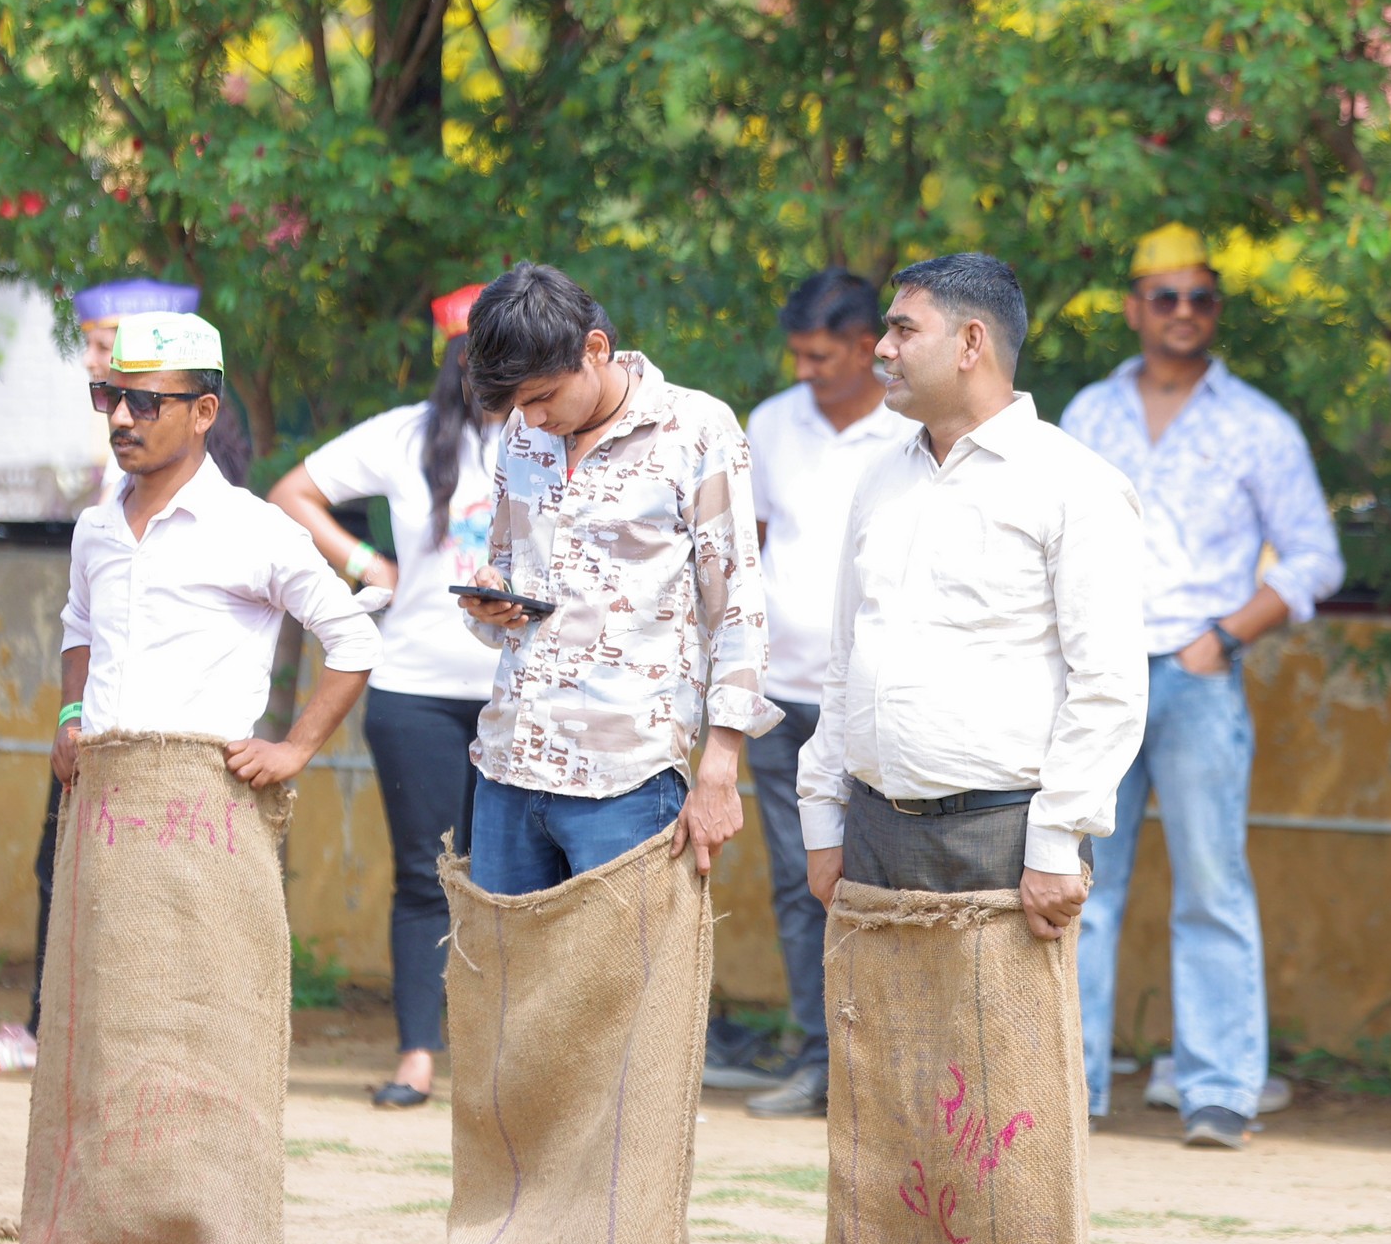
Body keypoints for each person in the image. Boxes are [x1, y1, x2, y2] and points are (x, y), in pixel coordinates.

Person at [1058, 223, 1344, 1143]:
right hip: (1096, 678)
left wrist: (1222, 639)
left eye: (1201, 298)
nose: (1183, 312)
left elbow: (1314, 556)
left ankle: (1218, 1091)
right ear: (1134, 307)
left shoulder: (1258, 424)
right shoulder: (1087, 415)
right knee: (1079, 883)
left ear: (1215, 309)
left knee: (1212, 886)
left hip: (1197, 674)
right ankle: (1069, 1090)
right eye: (1166, 296)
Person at [797, 252, 1144, 943]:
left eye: (903, 330)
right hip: (871, 830)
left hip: (1002, 839)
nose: (882, 349)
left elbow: (1108, 685)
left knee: (1001, 1022)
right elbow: (845, 658)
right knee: (875, 1021)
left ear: (970, 343)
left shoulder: (1074, 484)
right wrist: (823, 819)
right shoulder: (880, 477)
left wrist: (1055, 842)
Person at [455, 263, 778, 894]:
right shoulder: (521, 436)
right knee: (500, 960)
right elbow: (506, 565)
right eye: (519, 405)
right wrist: (493, 599)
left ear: (595, 350)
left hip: (627, 779)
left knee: (628, 961)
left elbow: (738, 605)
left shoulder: (696, 430)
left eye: (543, 397)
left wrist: (720, 764)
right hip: (509, 762)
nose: (533, 417)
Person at [0, 275, 199, 1076]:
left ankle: (119, 1039)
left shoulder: (196, 474)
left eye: (109, 346)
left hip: (163, 726)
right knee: (59, 863)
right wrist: (70, 713)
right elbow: (83, 619)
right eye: (94, 350)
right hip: (93, 711)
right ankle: (52, 1029)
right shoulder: (113, 476)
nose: (97, 365)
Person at [267, 284, 498, 1107]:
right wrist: (368, 565)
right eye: (477, 354)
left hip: (522, 695)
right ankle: (417, 1058)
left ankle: (502, 1062)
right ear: (456, 358)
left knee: (512, 880)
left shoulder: (554, 432)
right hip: (414, 688)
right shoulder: (405, 435)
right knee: (425, 874)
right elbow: (291, 493)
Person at [54, 310, 378, 795]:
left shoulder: (254, 530)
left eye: (144, 402)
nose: (119, 417)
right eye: (109, 396)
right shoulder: (95, 527)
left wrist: (294, 749)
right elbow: (80, 626)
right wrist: (70, 715)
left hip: (205, 808)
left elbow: (355, 639)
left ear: (203, 413)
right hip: (100, 803)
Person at [736, 268, 909, 1120]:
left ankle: (888, 1068)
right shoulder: (771, 422)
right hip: (781, 697)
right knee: (800, 880)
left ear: (866, 345)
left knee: (891, 881)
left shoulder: (911, 424)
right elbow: (749, 548)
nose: (806, 371)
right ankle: (819, 1061)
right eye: (798, 355)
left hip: (880, 700)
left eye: (821, 356)